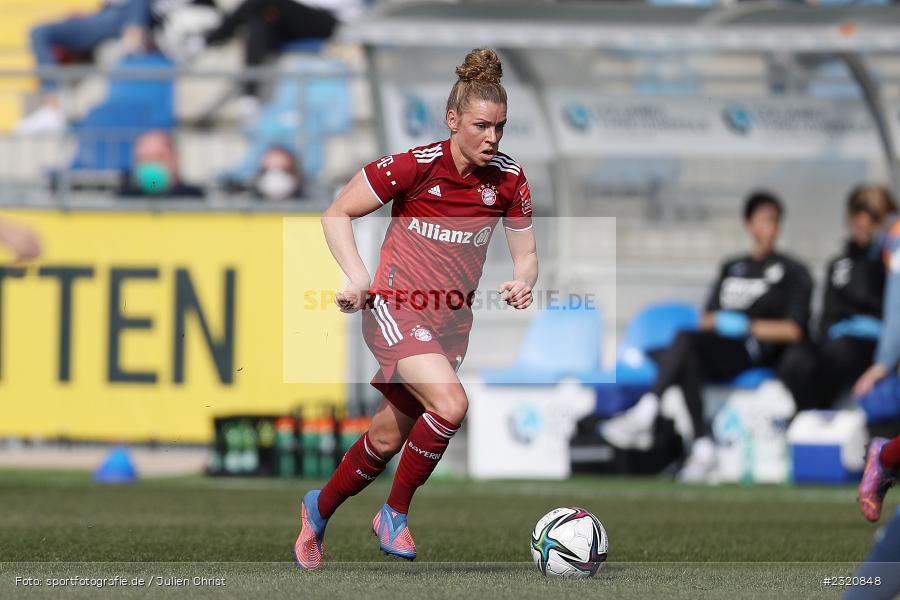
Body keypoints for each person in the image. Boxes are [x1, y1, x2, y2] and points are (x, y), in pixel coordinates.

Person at [293, 48, 538, 570]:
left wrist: (522, 280)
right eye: (481, 126)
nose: (492, 138)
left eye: (500, 127)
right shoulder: (414, 166)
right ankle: (394, 514)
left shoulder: (509, 179)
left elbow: (527, 252)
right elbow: (337, 212)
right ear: (452, 121)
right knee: (450, 405)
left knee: (385, 437)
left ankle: (319, 507)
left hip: (451, 325)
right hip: (397, 309)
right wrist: (358, 277)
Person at [601, 191, 813, 482]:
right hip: (719, 345)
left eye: (775, 222)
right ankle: (702, 448)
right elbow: (707, 317)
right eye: (763, 221)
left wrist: (749, 327)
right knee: (686, 356)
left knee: (683, 343)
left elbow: (794, 330)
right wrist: (723, 321)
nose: (770, 228)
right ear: (748, 224)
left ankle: (646, 412)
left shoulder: (793, 272)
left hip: (751, 349)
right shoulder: (732, 267)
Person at [17, 0, 215, 135]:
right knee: (40, 33)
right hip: (112, 16)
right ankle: (51, 109)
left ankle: (133, 37)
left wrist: (135, 26)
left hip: (131, 19)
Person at [780, 185, 896, 410]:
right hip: (837, 341)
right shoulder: (839, 264)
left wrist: (886, 357)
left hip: (872, 343)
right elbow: (827, 315)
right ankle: (811, 415)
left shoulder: (891, 256)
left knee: (839, 353)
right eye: (856, 214)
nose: (862, 222)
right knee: (794, 359)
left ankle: (814, 412)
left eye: (870, 216)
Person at [197, 0, 367, 119]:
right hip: (297, 15)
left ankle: (208, 40)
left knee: (261, 3)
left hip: (335, 20)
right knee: (259, 24)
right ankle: (250, 96)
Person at [118, 130, 205, 198]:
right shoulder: (124, 199)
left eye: (158, 158)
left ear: (175, 160)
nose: (151, 165)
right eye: (144, 159)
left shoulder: (194, 198)